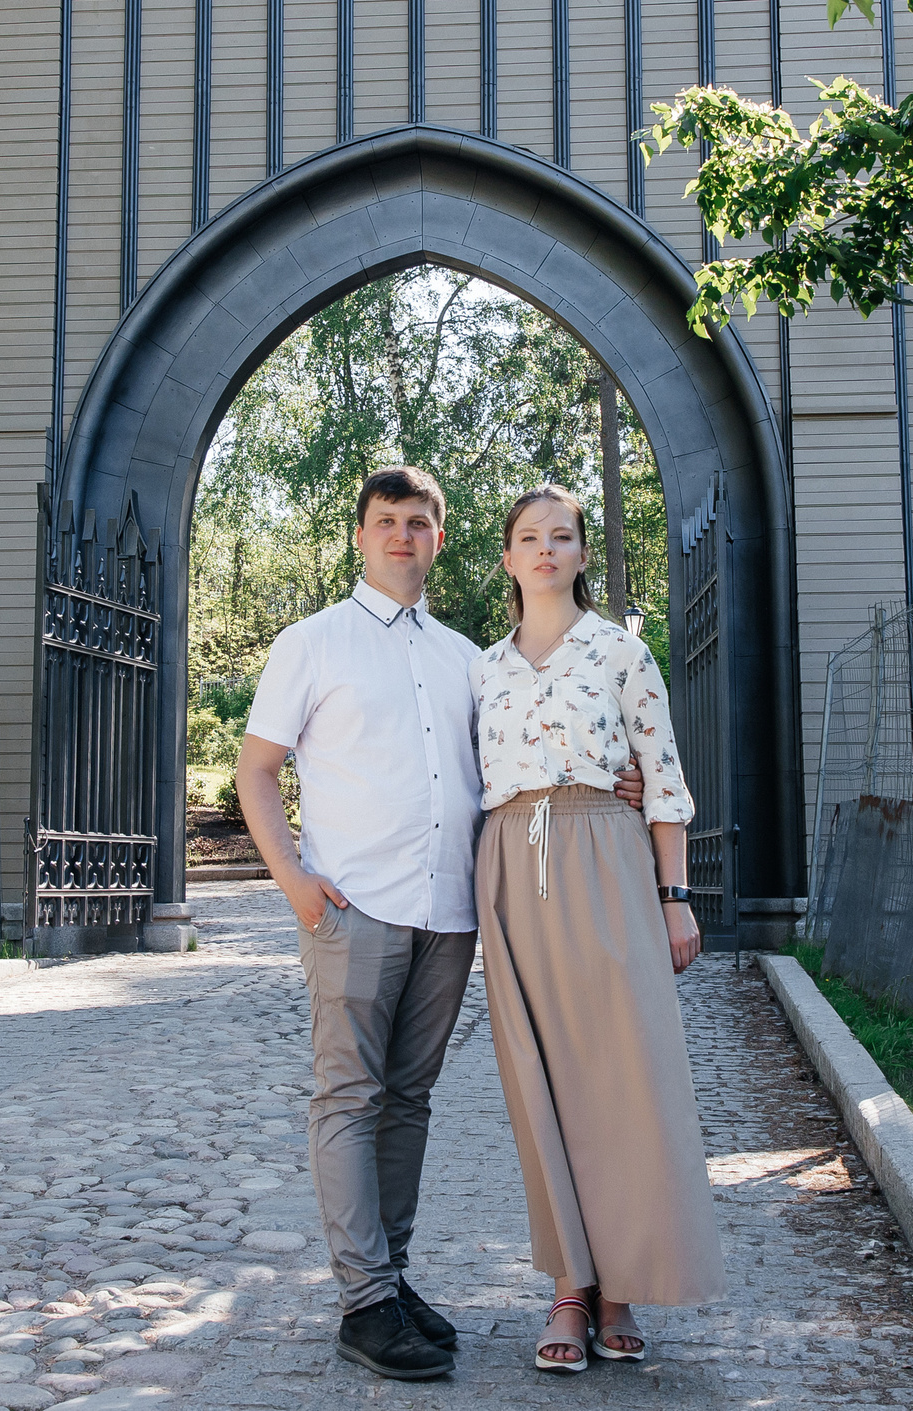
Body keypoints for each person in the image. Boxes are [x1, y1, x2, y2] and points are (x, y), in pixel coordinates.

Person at [234, 465, 643, 1382]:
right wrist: (295, 881)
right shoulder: (314, 643)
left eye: (419, 523)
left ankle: (394, 1275)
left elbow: (531, 748)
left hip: (449, 913)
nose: (402, 537)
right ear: (359, 536)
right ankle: (364, 1299)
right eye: (386, 521)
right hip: (355, 904)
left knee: (408, 1099)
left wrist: (616, 778)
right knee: (348, 1097)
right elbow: (255, 770)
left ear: (441, 539)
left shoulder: (468, 656)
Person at [470, 482, 727, 1372]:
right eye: (529, 537)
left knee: (622, 1073)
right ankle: (569, 1288)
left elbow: (661, 776)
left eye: (562, 536)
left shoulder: (622, 653)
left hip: (605, 854)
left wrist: (674, 894)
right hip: (511, 861)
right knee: (538, 1084)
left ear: (581, 552)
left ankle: (620, 1279)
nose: (545, 549)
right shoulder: (483, 668)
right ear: (507, 558)